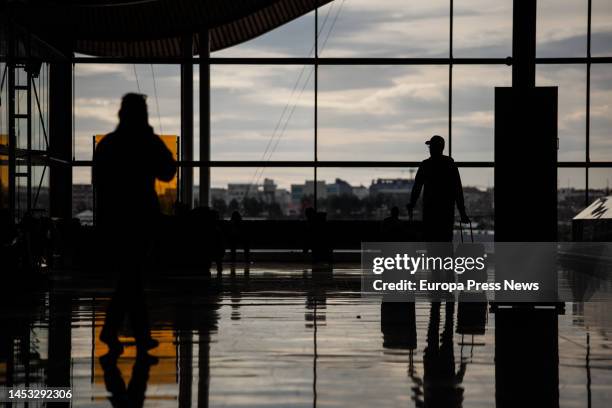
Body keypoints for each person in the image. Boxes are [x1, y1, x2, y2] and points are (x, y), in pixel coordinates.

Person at [94, 93, 176, 356]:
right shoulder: (146, 142)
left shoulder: (108, 144)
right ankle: (132, 335)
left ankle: (132, 334)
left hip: (114, 220)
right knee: (133, 276)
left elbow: (100, 183)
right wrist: (151, 136)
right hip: (140, 219)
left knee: (131, 277)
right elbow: (168, 171)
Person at [407, 135, 469, 242]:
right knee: (445, 243)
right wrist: (462, 212)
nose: (430, 149)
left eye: (431, 146)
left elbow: (417, 187)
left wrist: (412, 203)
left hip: (430, 211)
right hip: (446, 211)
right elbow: (457, 189)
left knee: (431, 243)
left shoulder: (426, 165)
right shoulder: (450, 164)